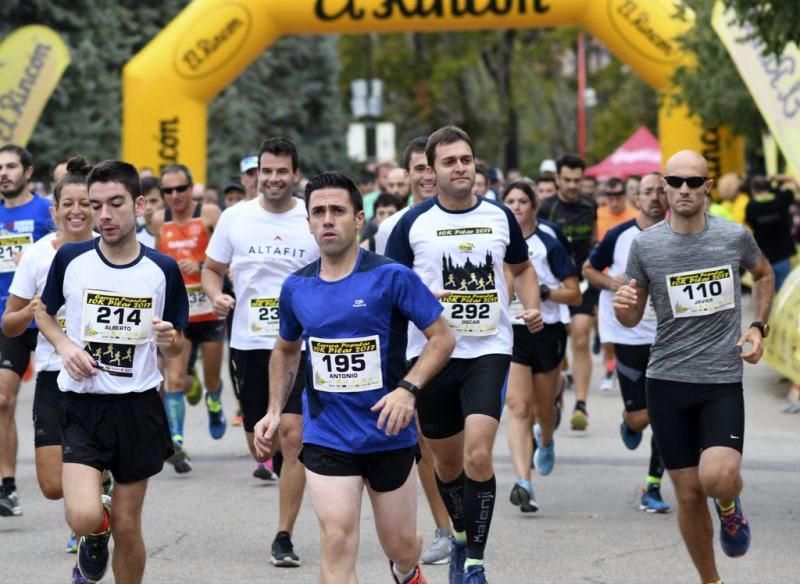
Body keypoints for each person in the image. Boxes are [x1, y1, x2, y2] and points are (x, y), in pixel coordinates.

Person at [254, 172, 455, 584]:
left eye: (338, 211)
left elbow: (442, 338)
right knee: (337, 538)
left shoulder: (391, 276)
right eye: (319, 212)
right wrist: (275, 410)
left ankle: (406, 570)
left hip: (388, 431)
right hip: (327, 433)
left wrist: (408, 390)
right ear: (308, 222)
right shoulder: (296, 287)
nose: (328, 220)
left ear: (358, 219)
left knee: (400, 544)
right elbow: (286, 348)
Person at [386, 126, 543, 584]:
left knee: (477, 455)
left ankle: (474, 560)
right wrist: (416, 296)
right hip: (432, 355)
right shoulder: (411, 224)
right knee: (448, 465)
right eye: (450, 161)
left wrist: (529, 305)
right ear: (431, 172)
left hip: (487, 349)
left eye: (466, 159)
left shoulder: (499, 217)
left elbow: (523, 267)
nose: (460, 167)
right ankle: (457, 533)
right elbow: (389, 289)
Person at [614, 150, 774, 584]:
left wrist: (758, 326)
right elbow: (632, 316)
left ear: (707, 186)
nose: (683, 189)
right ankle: (711, 580)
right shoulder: (645, 246)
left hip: (720, 378)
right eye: (675, 181)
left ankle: (729, 505)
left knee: (718, 477)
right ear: (663, 186)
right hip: (665, 380)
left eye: (693, 182)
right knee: (686, 494)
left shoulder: (733, 236)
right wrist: (623, 306)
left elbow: (762, 274)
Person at [37, 159, 189, 583]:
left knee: (128, 523)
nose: (103, 215)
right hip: (82, 405)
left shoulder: (163, 269)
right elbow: (45, 314)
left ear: (138, 204)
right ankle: (94, 533)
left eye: (115, 204)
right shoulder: (71, 258)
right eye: (95, 204)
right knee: (85, 514)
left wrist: (168, 340)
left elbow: (177, 343)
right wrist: (65, 346)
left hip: (138, 407)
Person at [203, 137, 319, 566]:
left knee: (292, 436)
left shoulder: (311, 217)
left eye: (281, 171)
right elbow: (211, 270)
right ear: (256, 175)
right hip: (250, 343)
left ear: (294, 174)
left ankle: (284, 534)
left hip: (299, 345)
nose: (273, 179)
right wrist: (216, 296)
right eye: (265, 171)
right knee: (261, 443)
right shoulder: (235, 218)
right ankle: (262, 438)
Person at [374, 137, 454, 565]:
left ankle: (465, 517)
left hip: (473, 346)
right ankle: (445, 527)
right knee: (424, 439)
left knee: (461, 445)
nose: (427, 175)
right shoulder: (395, 226)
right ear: (408, 175)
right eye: (419, 168)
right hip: (417, 348)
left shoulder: (472, 216)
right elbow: (384, 289)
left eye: (431, 167)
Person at [583, 172, 671, 513]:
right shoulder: (619, 236)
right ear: (637, 198)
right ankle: (628, 418)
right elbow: (589, 269)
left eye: (659, 192)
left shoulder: (677, 235)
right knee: (641, 418)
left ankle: (652, 487)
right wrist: (612, 283)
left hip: (667, 338)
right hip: (628, 336)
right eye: (647, 192)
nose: (653, 198)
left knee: (664, 415)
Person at [502, 181, 580, 512]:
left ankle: (546, 440)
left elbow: (574, 293)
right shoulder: (495, 241)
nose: (517, 206)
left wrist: (543, 293)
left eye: (523, 201)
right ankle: (524, 482)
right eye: (510, 201)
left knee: (543, 410)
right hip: (513, 332)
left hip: (546, 331)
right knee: (519, 408)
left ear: (535, 206)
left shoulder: (548, 243)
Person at [152, 164, 224, 473]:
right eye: (168, 191)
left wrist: (199, 264)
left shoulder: (208, 214)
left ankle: (215, 400)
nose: (175, 196)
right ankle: (177, 439)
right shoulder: (158, 220)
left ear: (191, 188)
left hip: (208, 309)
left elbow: (225, 254)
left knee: (210, 378)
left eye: (181, 189)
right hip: (180, 311)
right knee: (175, 379)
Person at [0, 144, 54, 517]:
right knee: (2, 399)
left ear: (28, 171)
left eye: (11, 166)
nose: (4, 173)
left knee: (69, 399)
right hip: (11, 316)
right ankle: (7, 485)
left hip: (51, 317)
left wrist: (31, 260)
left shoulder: (46, 212)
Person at [538, 154, 597, 431]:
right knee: (557, 347)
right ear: (558, 179)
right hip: (553, 287)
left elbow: (594, 238)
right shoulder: (546, 208)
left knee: (582, 336)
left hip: (582, 283)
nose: (573, 185)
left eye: (578, 180)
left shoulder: (590, 205)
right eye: (568, 180)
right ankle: (559, 383)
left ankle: (581, 404)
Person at [745, 175, 795, 291]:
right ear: (769, 187)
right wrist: (776, 178)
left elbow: (750, 226)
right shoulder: (782, 199)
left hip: (763, 257)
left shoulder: (751, 206)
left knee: (766, 293)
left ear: (753, 190)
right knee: (784, 291)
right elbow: (793, 182)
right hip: (783, 254)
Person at [136, 176, 163, 248]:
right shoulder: (134, 238)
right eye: (144, 202)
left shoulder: (180, 231)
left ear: (165, 201)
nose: (148, 207)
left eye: (153, 201)